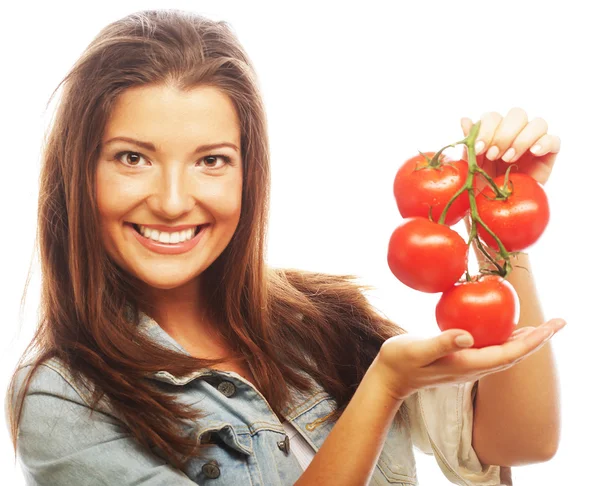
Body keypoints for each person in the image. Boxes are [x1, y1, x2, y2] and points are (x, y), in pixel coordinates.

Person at [4, 8, 565, 486]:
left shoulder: (318, 320)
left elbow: (522, 440)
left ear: (250, 175)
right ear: (78, 172)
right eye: (133, 158)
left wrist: (496, 218)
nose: (174, 202)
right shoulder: (65, 402)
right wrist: (384, 387)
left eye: (211, 161)